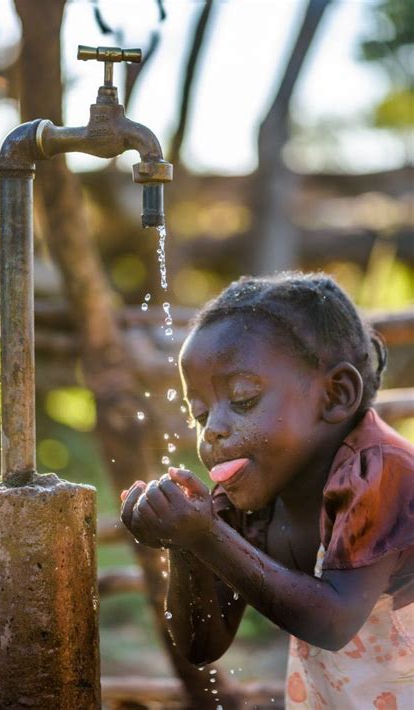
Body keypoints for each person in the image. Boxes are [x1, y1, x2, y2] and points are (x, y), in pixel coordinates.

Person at [120, 272, 413, 709]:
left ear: (336, 396)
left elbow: (332, 623)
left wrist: (206, 536)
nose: (214, 430)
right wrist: (185, 546)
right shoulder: (252, 491)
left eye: (242, 400)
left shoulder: (382, 472)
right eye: (200, 414)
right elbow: (202, 643)